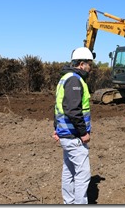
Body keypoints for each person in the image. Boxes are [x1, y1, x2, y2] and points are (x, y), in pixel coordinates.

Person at [52, 47, 94, 204]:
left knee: (69, 171)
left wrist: (56, 129)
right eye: (89, 64)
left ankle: (68, 202)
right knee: (83, 173)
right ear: (82, 64)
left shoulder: (65, 78)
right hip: (74, 136)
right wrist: (83, 133)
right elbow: (72, 110)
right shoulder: (74, 80)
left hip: (66, 134)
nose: (90, 68)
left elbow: (57, 107)